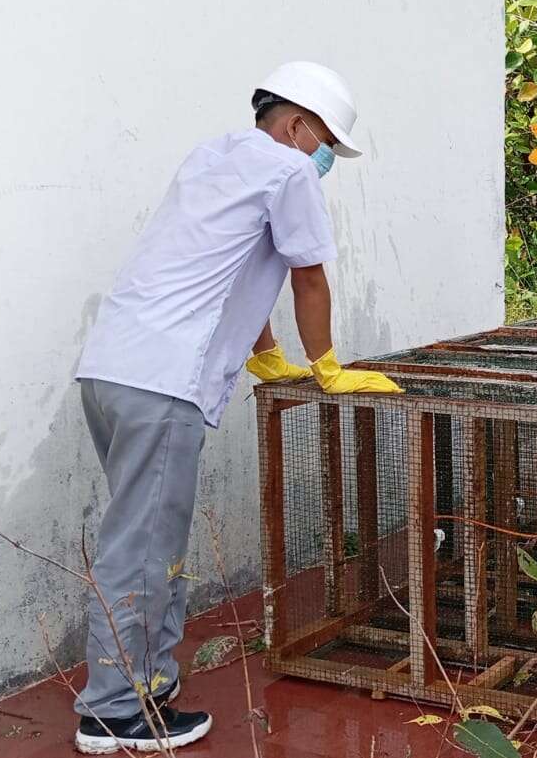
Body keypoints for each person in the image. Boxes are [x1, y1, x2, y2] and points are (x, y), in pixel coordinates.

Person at [71, 61, 401, 754]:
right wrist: (326, 365)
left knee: (150, 538)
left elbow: (228, 272)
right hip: (163, 382)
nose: (323, 160)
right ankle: (111, 713)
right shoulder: (288, 171)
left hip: (111, 371)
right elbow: (308, 276)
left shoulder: (212, 158)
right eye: (326, 145)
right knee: (141, 547)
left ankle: (151, 684)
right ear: (297, 126)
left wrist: (267, 352)